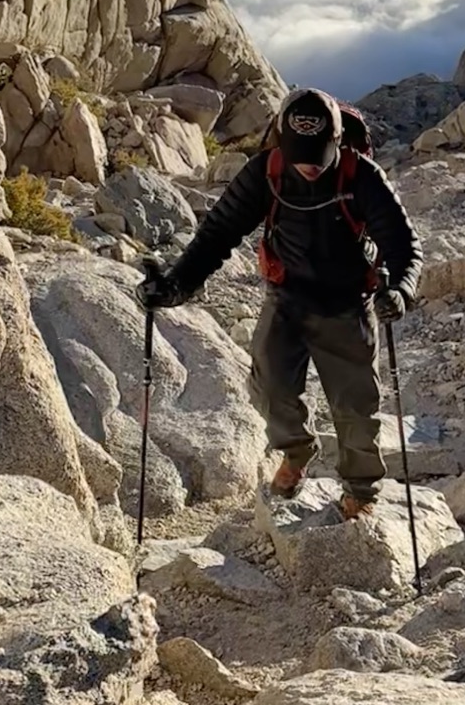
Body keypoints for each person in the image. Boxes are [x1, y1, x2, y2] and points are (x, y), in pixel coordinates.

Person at [138, 87, 421, 519]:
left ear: (337, 140)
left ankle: (360, 493)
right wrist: (175, 286)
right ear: (281, 141)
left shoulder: (361, 176)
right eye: (299, 153)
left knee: (355, 406)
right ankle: (297, 450)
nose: (308, 165)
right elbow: (217, 235)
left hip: (347, 303)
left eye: (318, 154)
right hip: (286, 297)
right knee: (270, 388)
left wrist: (399, 290)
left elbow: (404, 246)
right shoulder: (264, 173)